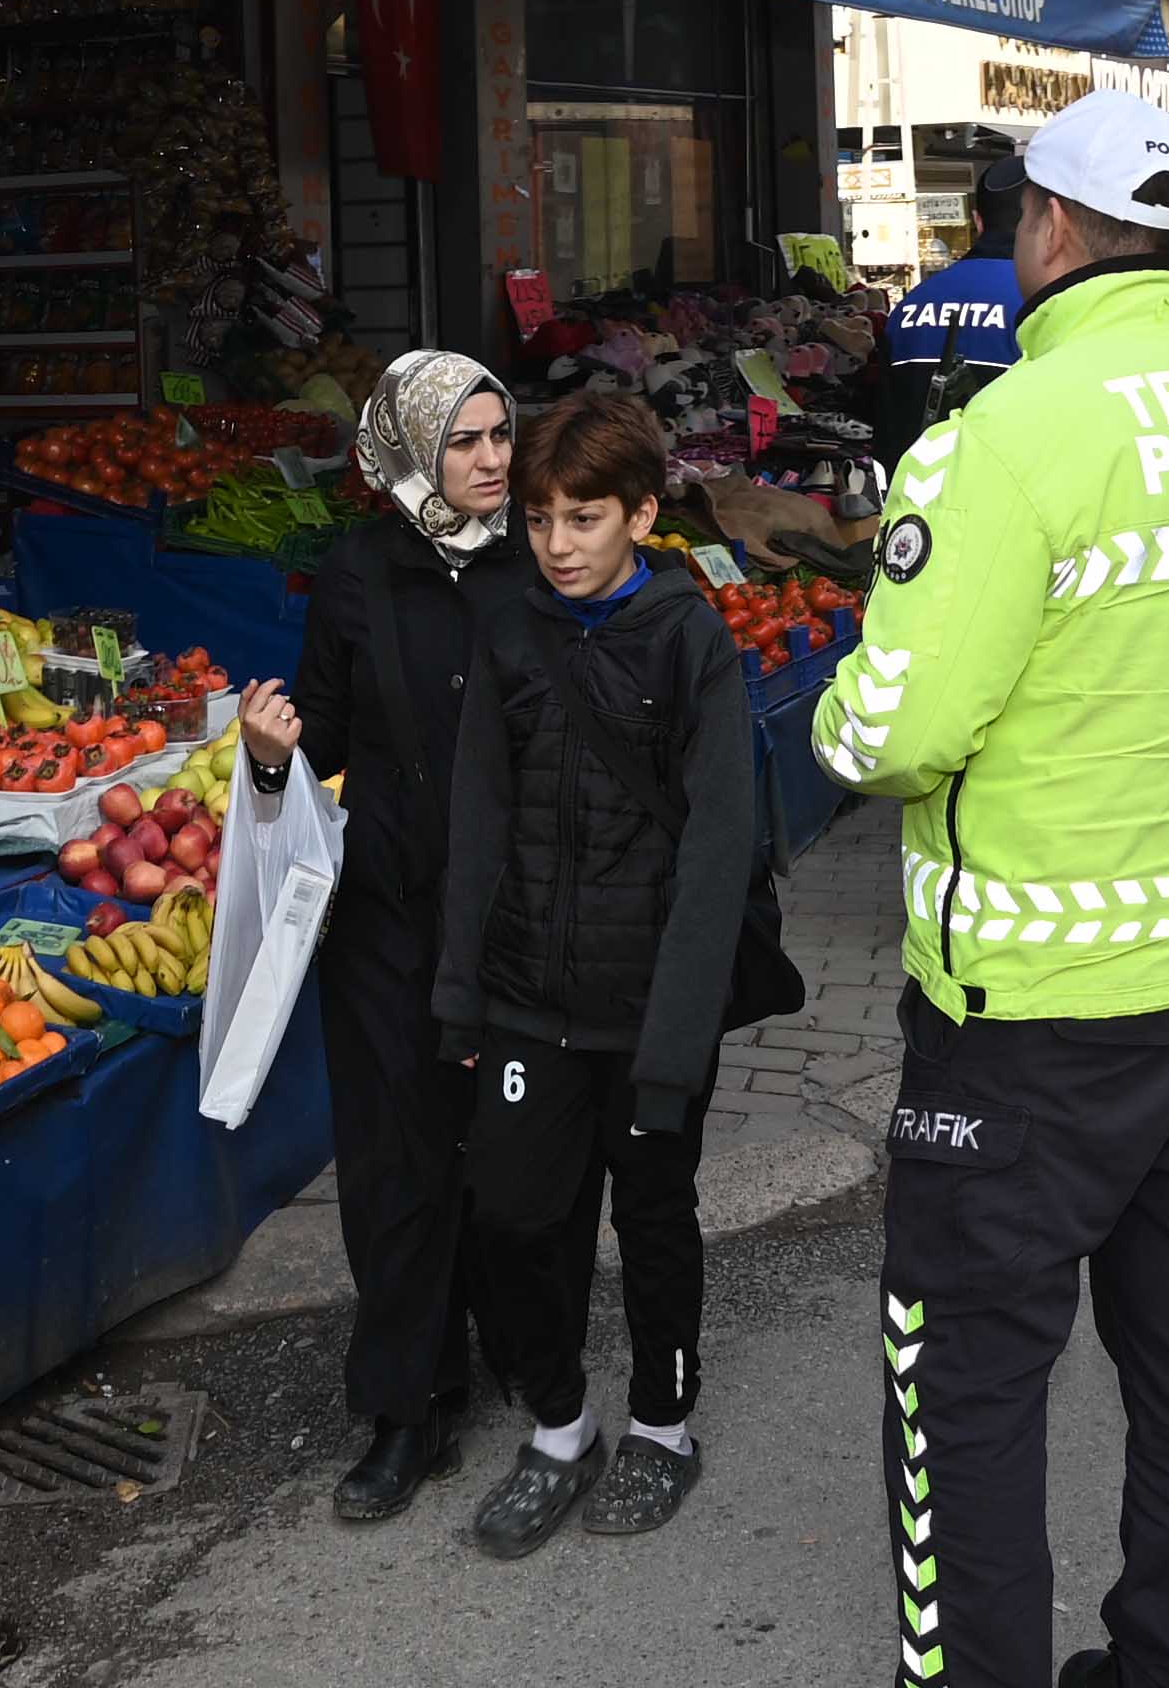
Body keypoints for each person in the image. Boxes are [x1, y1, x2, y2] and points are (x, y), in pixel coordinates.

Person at [809, 88, 1169, 1688]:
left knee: (960, 1370)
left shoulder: (997, 442)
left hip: (1031, 1010)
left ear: (1047, 227)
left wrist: (841, 706)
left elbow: (899, 734)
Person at [434, 391, 756, 1557]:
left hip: (650, 1006)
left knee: (656, 1217)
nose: (559, 544)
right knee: (516, 1213)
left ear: (642, 513)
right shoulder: (512, 628)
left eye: (584, 517)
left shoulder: (689, 637)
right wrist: (460, 992)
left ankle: (664, 1426)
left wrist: (675, 1045)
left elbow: (722, 846)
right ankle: (560, 1425)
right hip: (528, 994)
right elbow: (478, 813)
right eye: (539, 519)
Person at [234, 354, 530, 1524]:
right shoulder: (359, 569)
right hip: (390, 910)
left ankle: (522, 1344)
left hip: (512, 909)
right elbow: (325, 736)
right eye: (464, 441)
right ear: (411, 448)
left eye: (502, 433)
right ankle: (408, 1404)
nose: (494, 459)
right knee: (397, 1161)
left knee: (509, 1148)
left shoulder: (535, 558)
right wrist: (267, 754)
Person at [875, 157, 1030, 469]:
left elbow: (884, 427)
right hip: (1014, 504)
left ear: (978, 221)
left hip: (914, 505)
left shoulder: (910, 306)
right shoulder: (1044, 305)